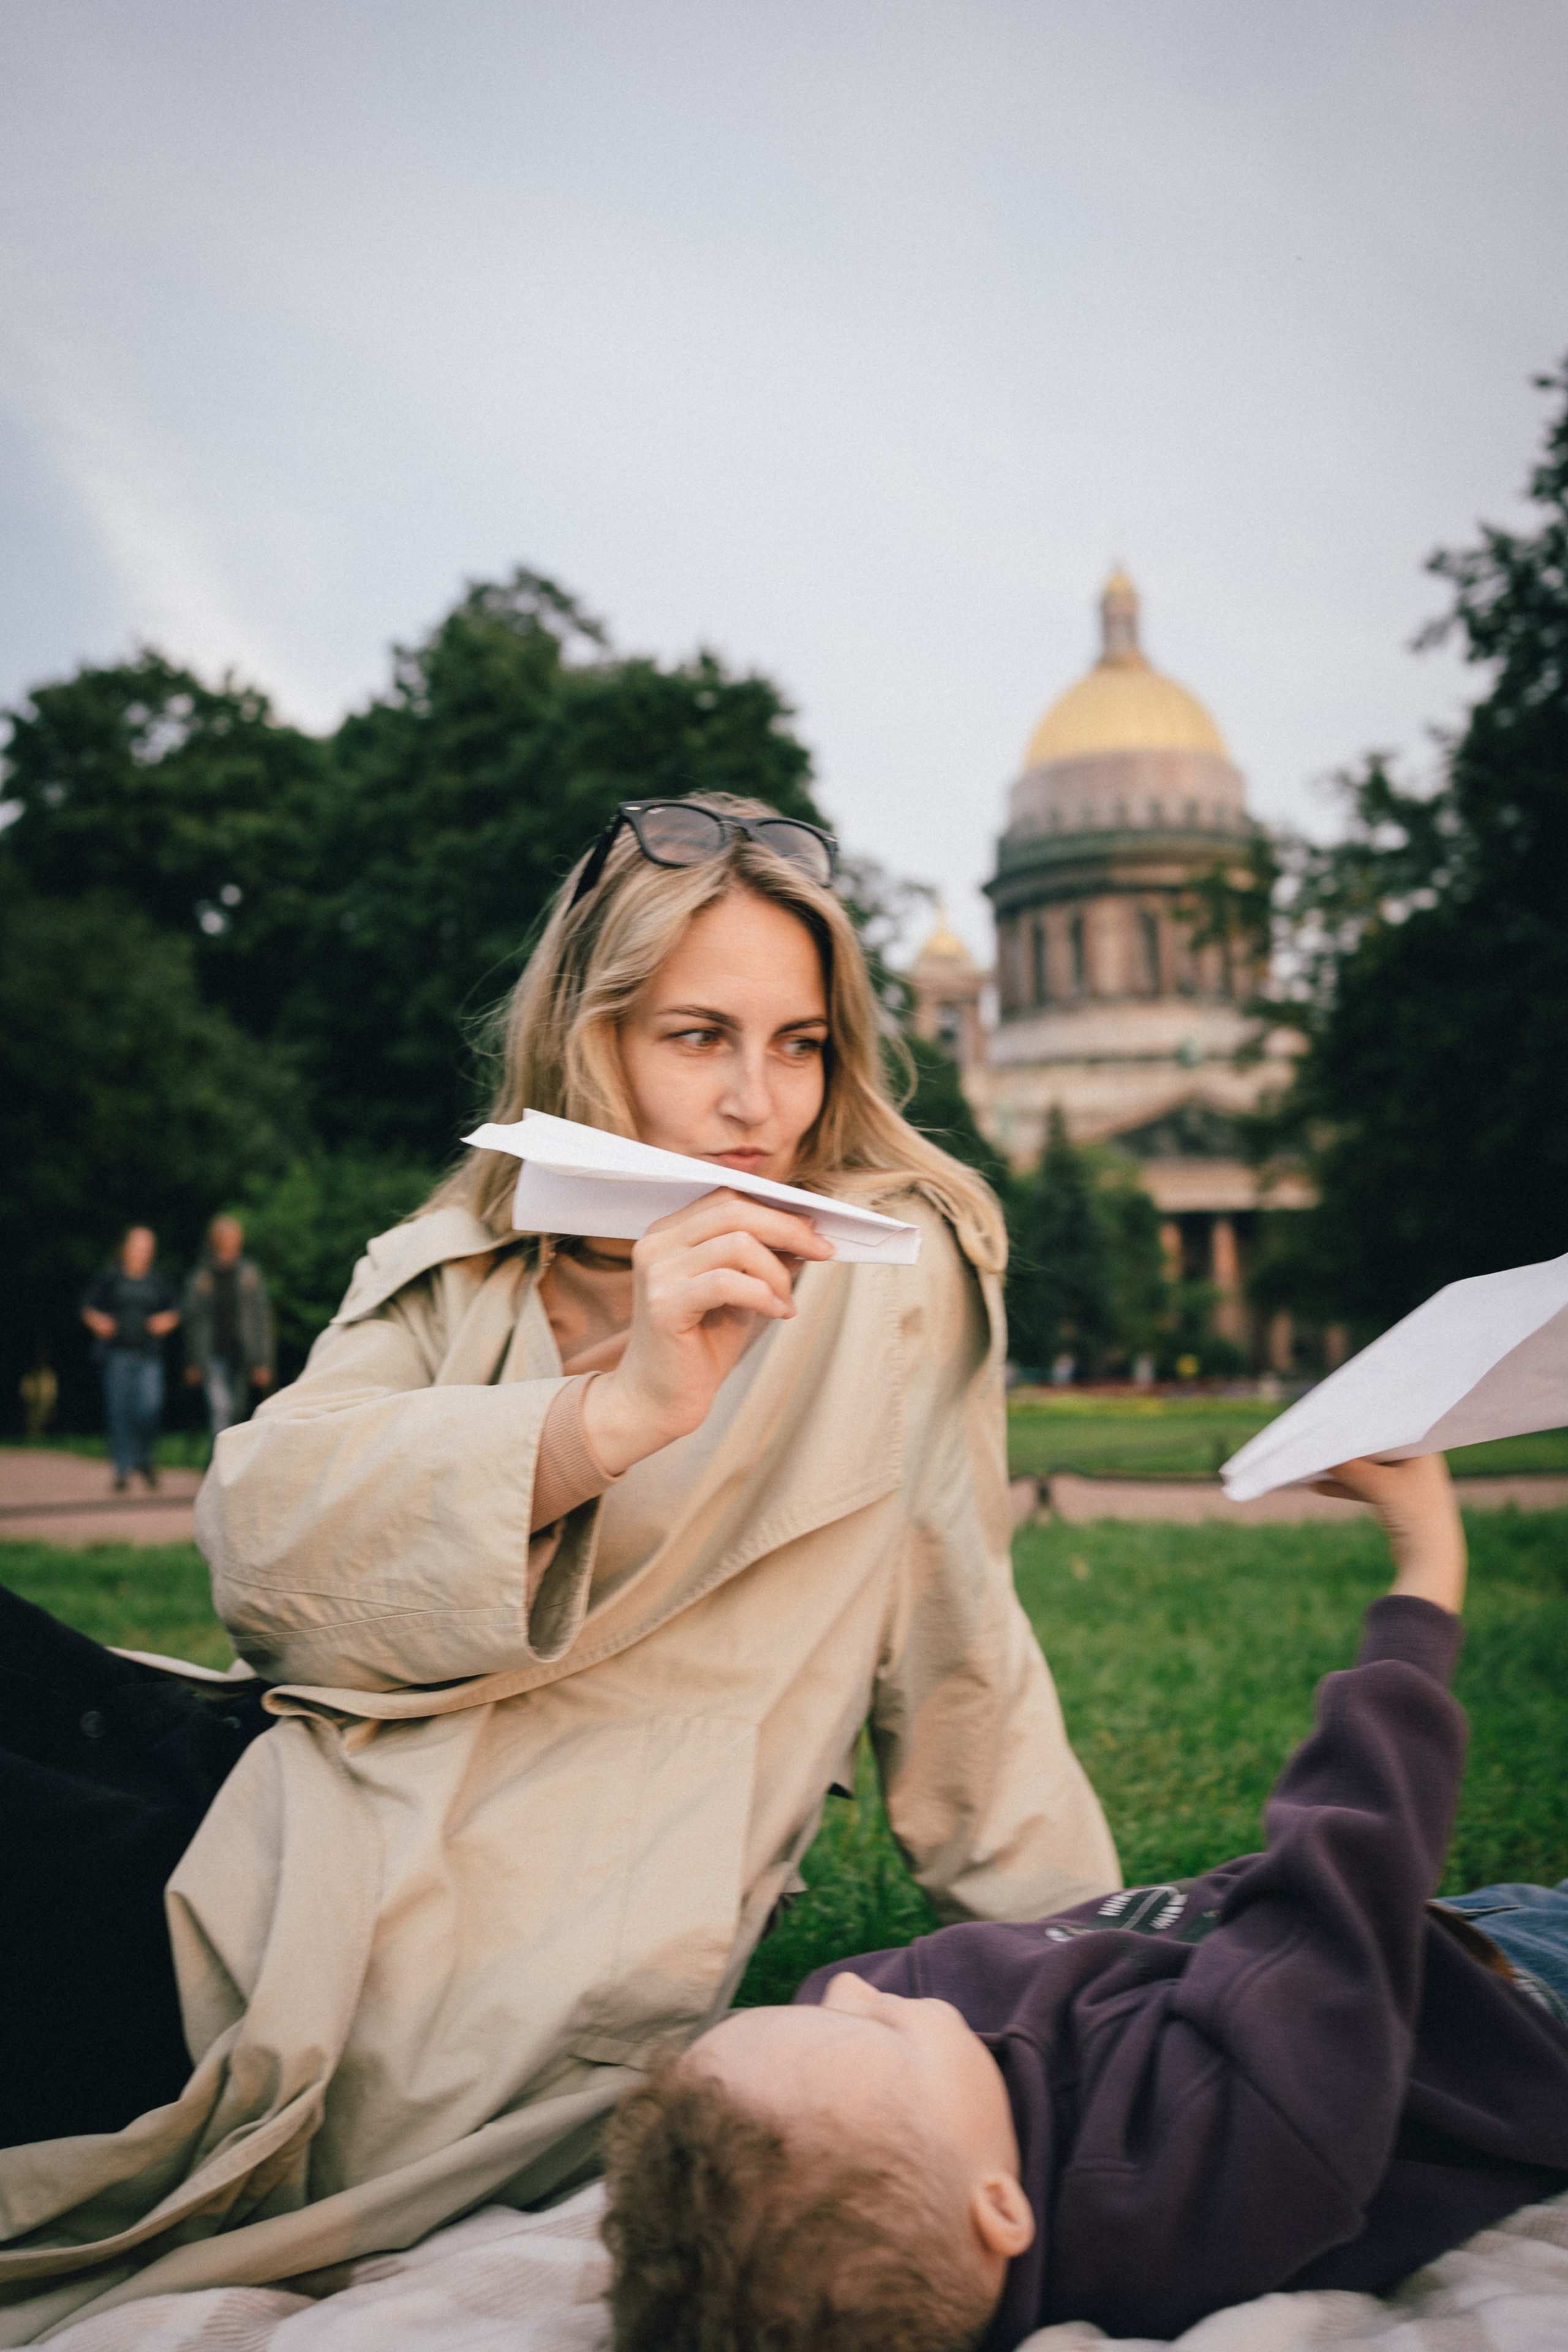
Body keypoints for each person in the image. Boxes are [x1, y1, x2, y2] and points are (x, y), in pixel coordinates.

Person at [0, 794, 1118, 2335]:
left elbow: (961, 1664)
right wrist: (604, 1418)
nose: (756, 1103)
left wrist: (1111, 1977)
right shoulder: (470, 1239)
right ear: (595, 1041)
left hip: (417, 1951)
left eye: (795, 1043)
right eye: (697, 1036)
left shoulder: (885, 1285)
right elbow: (256, 1543)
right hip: (272, 1788)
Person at [601, 1452, 1568, 2352]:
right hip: (1518, 1999)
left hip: (1451, 1940)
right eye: (874, 2031)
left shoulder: (907, 2119)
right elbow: (1340, 1894)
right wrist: (1423, 1569)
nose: (854, 1989)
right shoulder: (1195, 2185)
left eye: (800, 2010)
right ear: (1000, 2209)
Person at [80, 1224, 181, 1490]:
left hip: (149, 1356)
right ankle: (123, 1470)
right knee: (119, 1412)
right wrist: (99, 1321)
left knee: (150, 1407)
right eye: (137, 1246)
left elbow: (177, 1310)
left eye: (147, 1248)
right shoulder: (111, 1277)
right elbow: (87, 1308)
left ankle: (144, 1458)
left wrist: (165, 1321)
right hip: (117, 1355)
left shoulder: (157, 1281)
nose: (142, 1253)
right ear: (126, 1248)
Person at [183, 1215, 275, 1439]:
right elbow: (192, 1321)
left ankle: (221, 1461)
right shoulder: (202, 1275)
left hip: (244, 1355)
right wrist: (191, 1362)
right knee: (221, 1410)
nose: (231, 1242)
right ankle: (221, 1468)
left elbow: (262, 1319)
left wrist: (263, 1361)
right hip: (212, 1355)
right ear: (216, 1240)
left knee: (236, 1413)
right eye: (225, 1237)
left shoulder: (249, 1274)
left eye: (234, 1237)